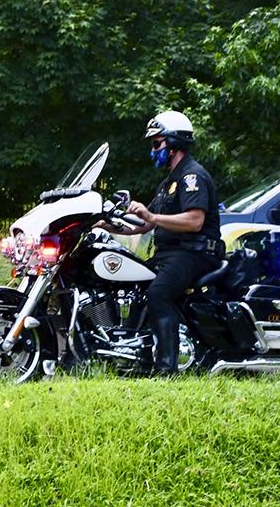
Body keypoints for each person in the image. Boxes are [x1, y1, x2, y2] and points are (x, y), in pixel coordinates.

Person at [114, 110, 222, 374]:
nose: (153, 150)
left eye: (157, 143)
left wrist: (152, 215)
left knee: (158, 294)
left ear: (174, 144)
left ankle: (167, 369)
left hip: (194, 253)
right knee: (135, 286)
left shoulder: (192, 177)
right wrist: (97, 222)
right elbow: (146, 223)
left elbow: (195, 220)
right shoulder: (168, 183)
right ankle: (134, 360)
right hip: (170, 254)